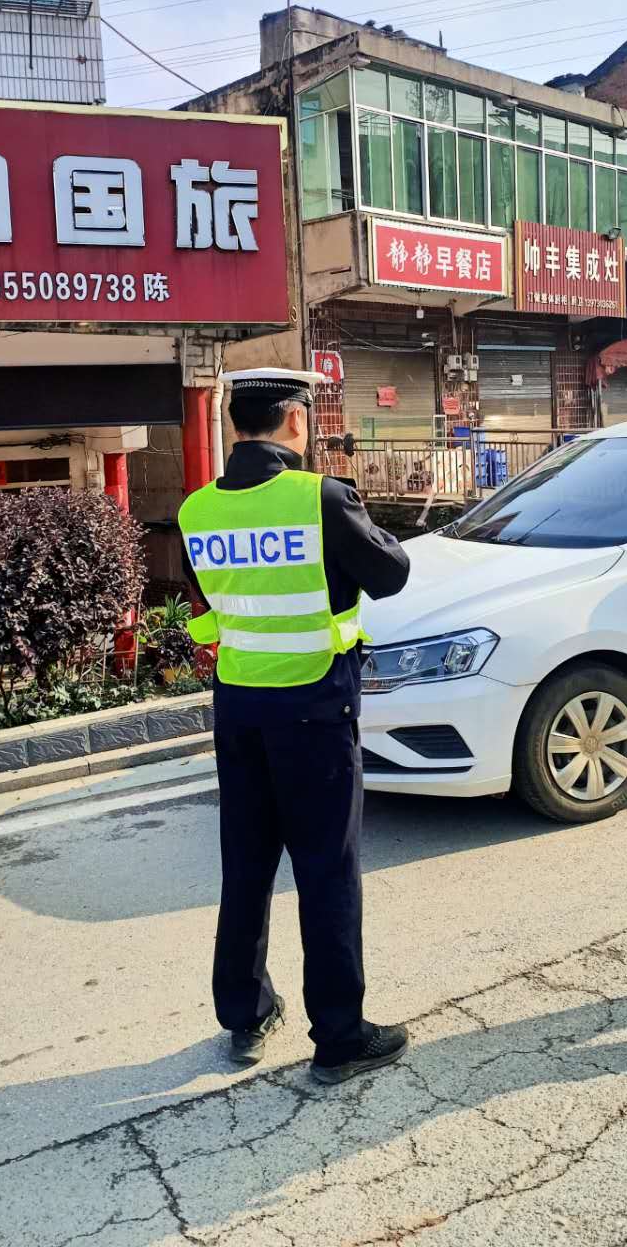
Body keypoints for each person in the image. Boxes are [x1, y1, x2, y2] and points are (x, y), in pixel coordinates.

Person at [178, 368, 412, 1083]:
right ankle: (339, 1037)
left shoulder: (196, 511)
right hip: (314, 710)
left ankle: (245, 1013)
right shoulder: (322, 497)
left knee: (246, 865)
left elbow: (206, 608)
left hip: (239, 709)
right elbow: (391, 574)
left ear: (233, 424)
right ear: (295, 420)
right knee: (326, 871)